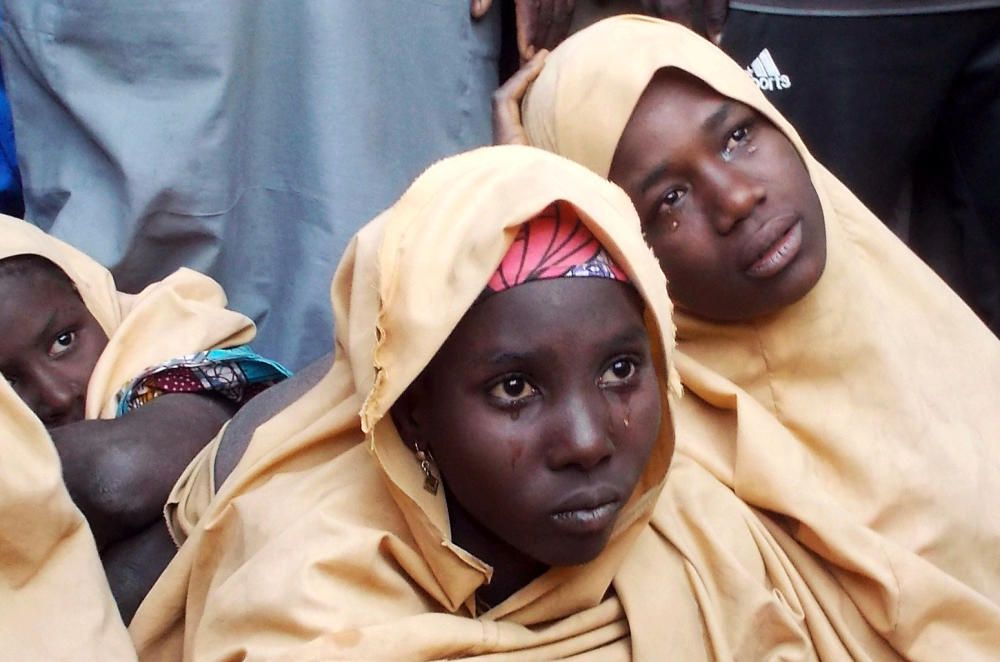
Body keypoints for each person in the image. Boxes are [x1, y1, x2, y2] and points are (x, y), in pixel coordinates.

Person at [499, 9, 1000, 636]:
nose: (737, 198)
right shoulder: (667, 490)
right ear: (623, 249)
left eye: (737, 135)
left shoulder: (910, 310)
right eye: (670, 199)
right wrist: (519, 209)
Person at [0, 215, 290, 621]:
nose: (57, 394)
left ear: (85, 296)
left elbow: (119, 475)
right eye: (7, 384)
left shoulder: (176, 346)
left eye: (63, 341)